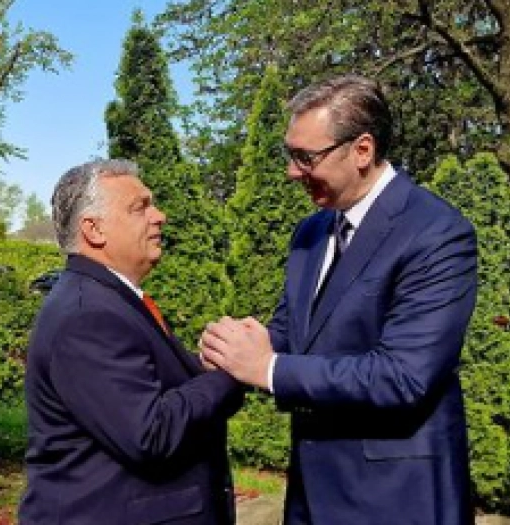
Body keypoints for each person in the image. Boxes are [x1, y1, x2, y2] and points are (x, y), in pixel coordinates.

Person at [200, 75, 478, 525]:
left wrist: (268, 369)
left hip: (395, 498)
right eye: (290, 155)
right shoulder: (311, 232)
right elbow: (294, 330)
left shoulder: (436, 232)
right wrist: (236, 346)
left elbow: (403, 376)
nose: (292, 172)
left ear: (362, 150)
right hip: (311, 491)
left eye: (306, 158)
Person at [19, 159, 244, 525]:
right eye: (140, 207)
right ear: (94, 229)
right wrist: (232, 371)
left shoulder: (109, 300)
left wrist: (206, 368)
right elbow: (151, 434)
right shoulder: (87, 316)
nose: (160, 216)